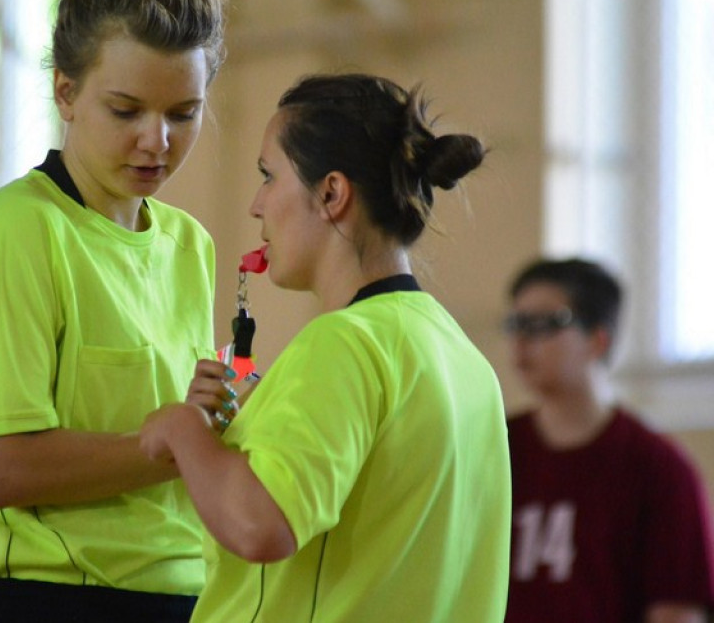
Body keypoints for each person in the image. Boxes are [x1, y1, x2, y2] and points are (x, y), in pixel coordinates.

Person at [139, 73, 512, 622]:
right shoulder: (464, 360)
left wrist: (182, 430)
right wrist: (255, 420)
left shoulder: (344, 345)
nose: (256, 205)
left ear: (332, 193)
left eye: (269, 177)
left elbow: (260, 524)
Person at [0, 0, 226, 620]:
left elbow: (173, 436)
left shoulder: (190, 245)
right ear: (66, 93)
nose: (157, 141)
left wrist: (219, 419)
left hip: (189, 596)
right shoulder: (19, 231)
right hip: (57, 599)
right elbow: (1, 469)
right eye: (126, 111)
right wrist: (169, 443)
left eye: (183, 114)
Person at [503, 257, 714, 622]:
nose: (522, 341)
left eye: (544, 324)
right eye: (517, 323)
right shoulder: (497, 448)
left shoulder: (658, 469)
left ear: (598, 340)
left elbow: (677, 611)